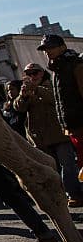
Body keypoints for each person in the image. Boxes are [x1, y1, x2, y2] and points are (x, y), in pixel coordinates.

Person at [14, 61, 83, 206]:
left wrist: (37, 90)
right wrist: (23, 96)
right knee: (49, 170)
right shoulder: (27, 89)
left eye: (35, 73)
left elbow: (55, 98)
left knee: (68, 166)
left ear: (42, 73)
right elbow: (19, 108)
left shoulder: (51, 84)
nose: (32, 76)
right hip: (39, 138)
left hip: (58, 135)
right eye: (29, 74)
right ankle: (58, 197)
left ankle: (74, 194)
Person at [38, 34, 83, 183]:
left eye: (51, 47)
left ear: (62, 47)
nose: (47, 52)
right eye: (45, 49)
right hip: (72, 125)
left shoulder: (75, 65)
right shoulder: (58, 69)